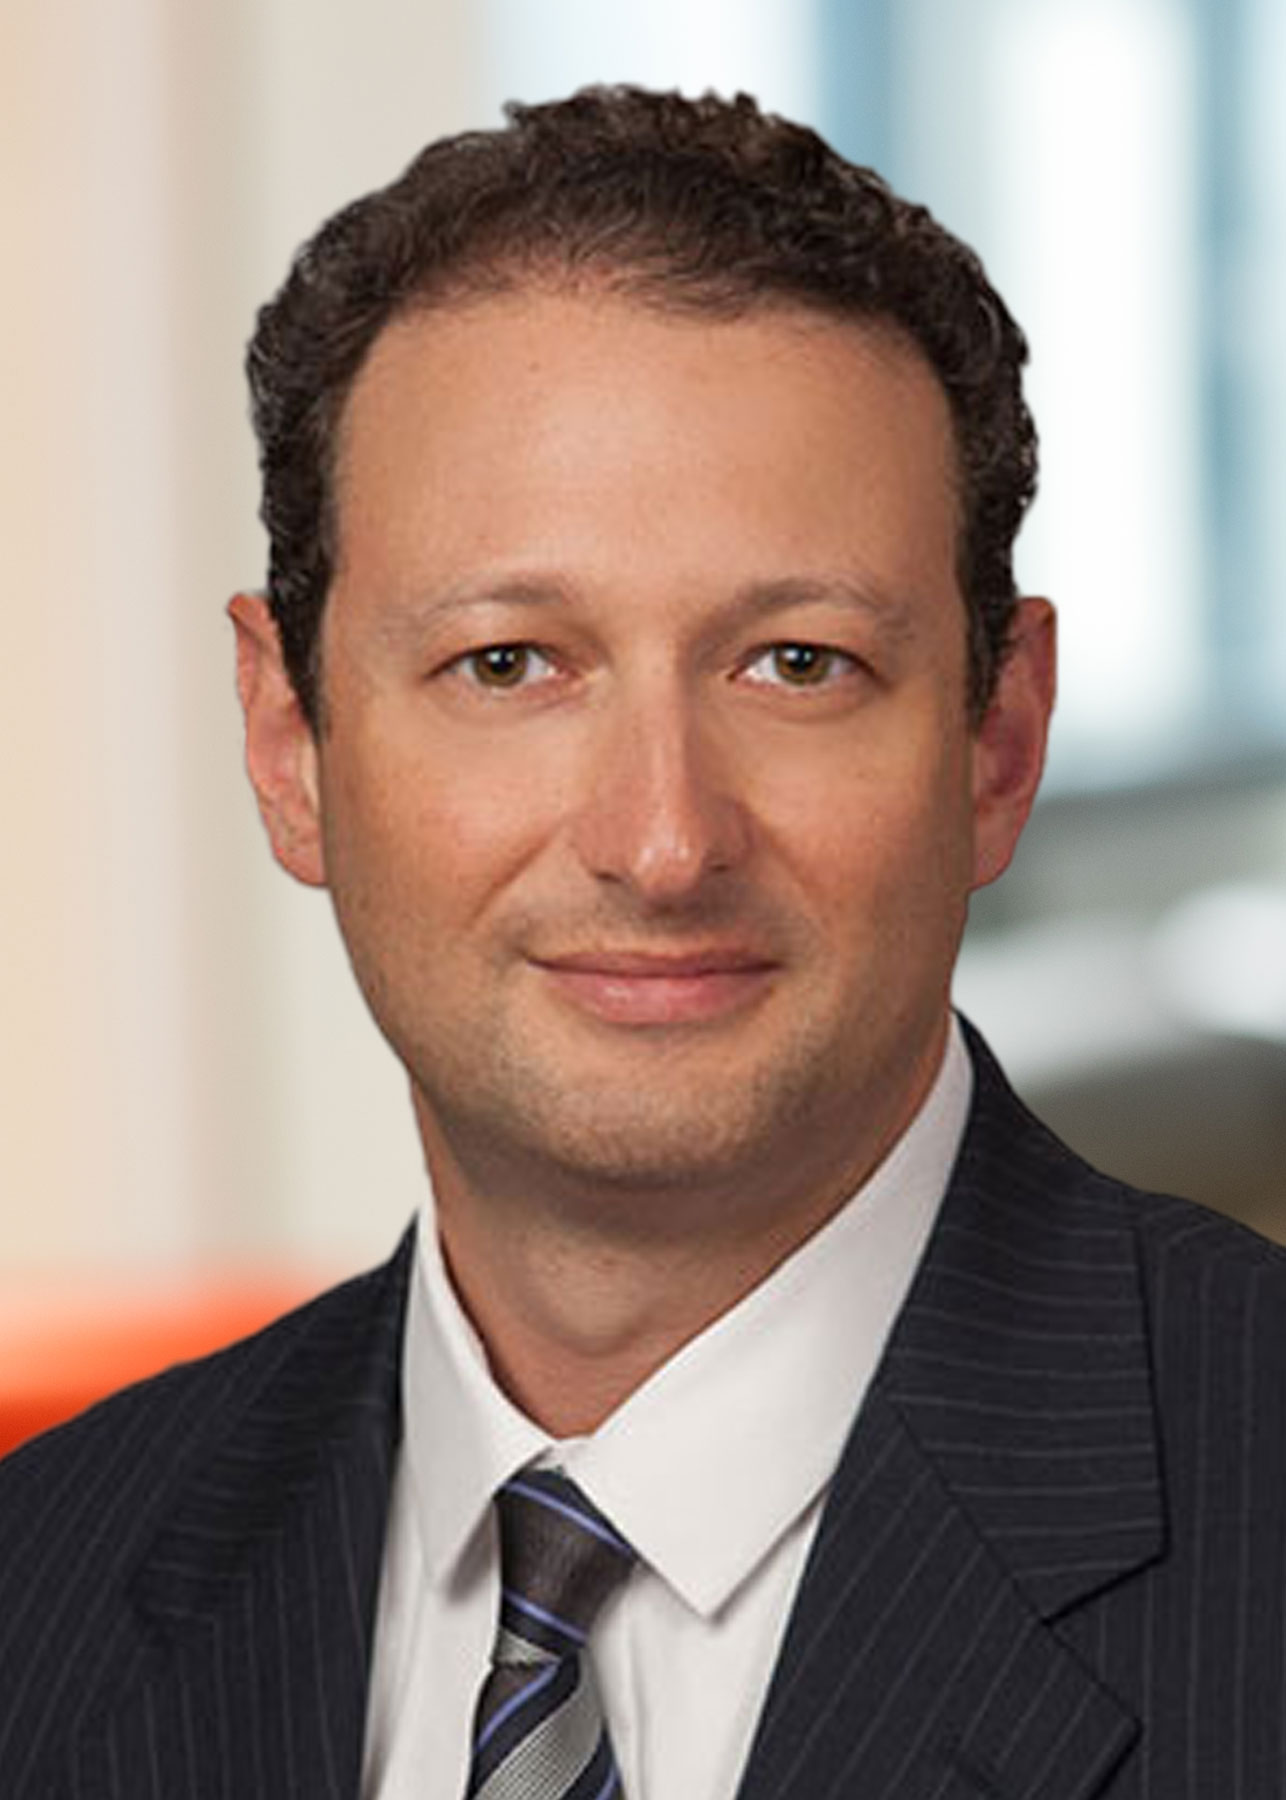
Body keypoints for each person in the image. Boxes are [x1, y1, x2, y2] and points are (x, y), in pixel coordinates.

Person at [2, 85, 1284, 1800]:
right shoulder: (38, 1591)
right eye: (509, 664)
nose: (663, 843)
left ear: (998, 743)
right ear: (288, 743)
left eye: (798, 665)